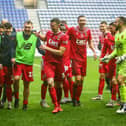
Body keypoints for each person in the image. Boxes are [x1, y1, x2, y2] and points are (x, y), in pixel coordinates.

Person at [35, 18, 68, 113]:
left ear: (58, 25)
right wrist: (39, 36)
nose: (51, 27)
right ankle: (56, 105)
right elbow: (45, 38)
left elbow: (61, 52)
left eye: (53, 25)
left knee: (59, 86)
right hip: (48, 62)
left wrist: (47, 48)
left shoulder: (63, 37)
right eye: (51, 25)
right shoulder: (49, 33)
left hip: (59, 63)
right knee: (50, 82)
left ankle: (59, 104)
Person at [12, 20, 45, 110]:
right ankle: (17, 97)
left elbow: (40, 49)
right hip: (18, 62)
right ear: (24, 27)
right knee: (16, 79)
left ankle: (25, 103)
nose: (27, 29)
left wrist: (47, 53)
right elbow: (12, 47)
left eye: (29, 27)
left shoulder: (35, 37)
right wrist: (13, 57)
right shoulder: (17, 35)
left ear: (32, 28)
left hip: (28, 63)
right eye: (26, 27)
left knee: (26, 84)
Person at [67, 15, 97, 106]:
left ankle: (77, 99)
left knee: (82, 80)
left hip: (84, 58)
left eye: (84, 20)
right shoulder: (72, 30)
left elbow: (90, 42)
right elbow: (65, 39)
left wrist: (94, 51)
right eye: (81, 20)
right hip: (75, 58)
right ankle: (73, 97)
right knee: (78, 79)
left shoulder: (88, 31)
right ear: (78, 21)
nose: (82, 22)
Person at [102, 16, 126, 113]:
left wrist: (123, 57)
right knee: (121, 83)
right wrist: (109, 56)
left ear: (122, 22)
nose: (114, 24)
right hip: (119, 61)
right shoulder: (117, 35)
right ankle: (123, 104)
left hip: (124, 61)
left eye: (116, 22)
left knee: (120, 80)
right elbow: (116, 49)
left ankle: (124, 105)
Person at [92, 21, 110, 100]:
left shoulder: (110, 35)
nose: (101, 28)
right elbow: (102, 47)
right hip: (103, 59)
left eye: (103, 26)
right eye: (100, 26)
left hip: (110, 59)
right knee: (101, 76)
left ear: (107, 27)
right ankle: (100, 95)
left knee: (112, 78)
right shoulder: (101, 36)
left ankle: (117, 97)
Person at [0, 22, 14, 109]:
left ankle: (9, 103)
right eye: (6, 29)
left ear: (11, 29)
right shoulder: (1, 38)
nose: (8, 31)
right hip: (2, 64)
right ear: (4, 29)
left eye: (9, 29)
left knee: (8, 85)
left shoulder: (14, 38)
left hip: (10, 65)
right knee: (0, 84)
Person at [105, 22, 120, 107]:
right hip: (110, 63)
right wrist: (102, 59)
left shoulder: (121, 37)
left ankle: (113, 100)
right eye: (109, 28)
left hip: (119, 61)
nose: (109, 30)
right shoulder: (108, 38)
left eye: (111, 28)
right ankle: (119, 98)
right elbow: (104, 49)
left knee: (115, 81)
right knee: (111, 82)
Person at [60, 21, 73, 104]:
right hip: (60, 61)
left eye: (64, 27)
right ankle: (67, 97)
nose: (63, 29)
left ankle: (71, 97)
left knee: (69, 79)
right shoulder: (59, 37)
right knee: (64, 79)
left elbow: (70, 31)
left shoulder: (69, 36)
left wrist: (65, 26)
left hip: (67, 61)